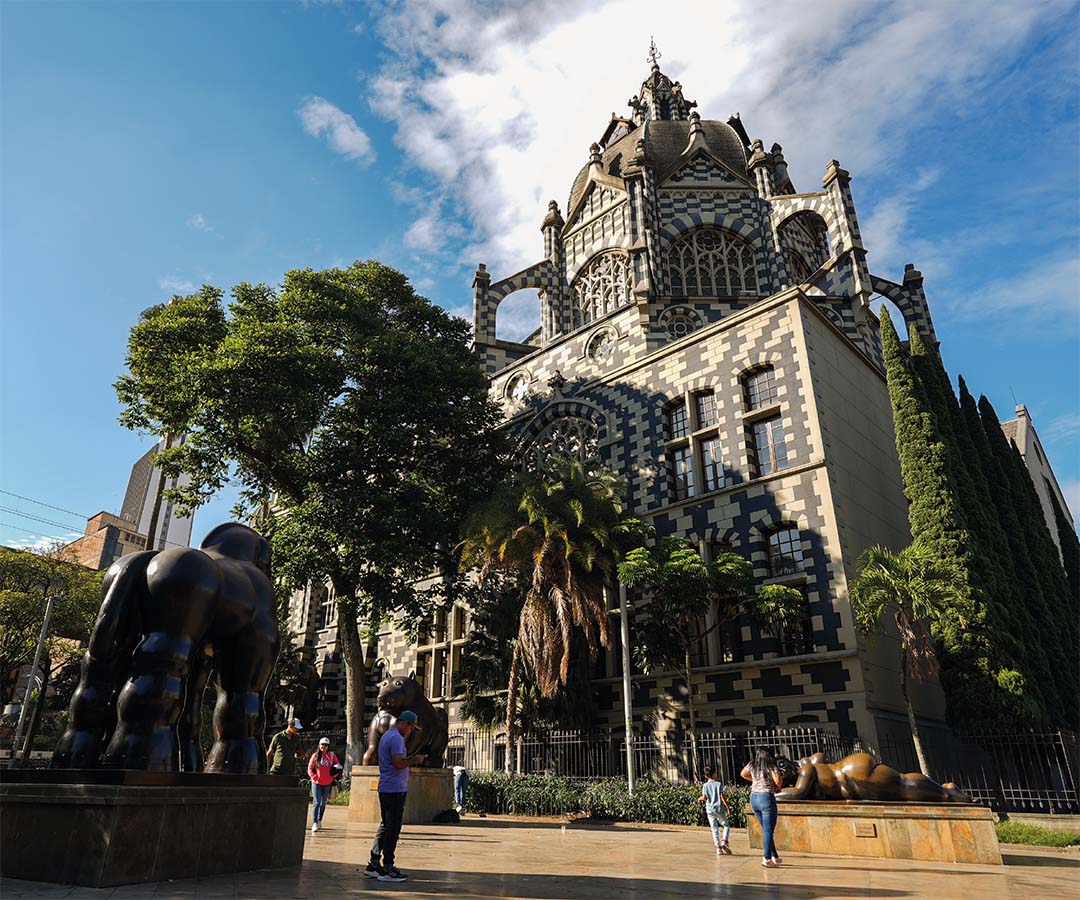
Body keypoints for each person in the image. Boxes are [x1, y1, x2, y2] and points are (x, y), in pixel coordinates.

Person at [363, 710, 427, 883]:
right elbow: (398, 763)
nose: (411, 732)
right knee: (393, 828)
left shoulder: (386, 736)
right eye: (411, 728)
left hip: (387, 788)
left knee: (385, 825)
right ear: (404, 724)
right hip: (394, 790)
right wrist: (415, 759)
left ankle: (374, 863)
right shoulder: (397, 738)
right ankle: (388, 868)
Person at [741, 749, 783, 867]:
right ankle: (766, 858)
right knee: (768, 830)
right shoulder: (770, 765)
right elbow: (777, 779)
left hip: (754, 797)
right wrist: (778, 787)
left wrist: (753, 780)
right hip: (766, 797)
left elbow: (743, 774)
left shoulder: (752, 764)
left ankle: (775, 856)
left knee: (766, 829)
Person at [308, 736, 342, 833]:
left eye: (326, 745)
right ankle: (314, 822)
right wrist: (314, 777)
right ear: (319, 745)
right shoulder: (315, 756)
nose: (324, 746)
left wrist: (332, 777)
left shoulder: (331, 755)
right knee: (317, 802)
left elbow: (338, 767)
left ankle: (319, 820)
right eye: (322, 744)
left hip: (327, 783)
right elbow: (310, 768)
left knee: (323, 804)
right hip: (317, 783)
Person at [697, 765, 732, 855]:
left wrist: (699, 798)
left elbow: (704, 797)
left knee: (714, 828)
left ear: (706, 776)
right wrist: (728, 807)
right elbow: (722, 797)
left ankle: (718, 848)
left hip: (710, 810)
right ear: (714, 775)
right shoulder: (718, 784)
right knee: (726, 825)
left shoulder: (705, 785)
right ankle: (724, 841)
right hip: (719, 809)